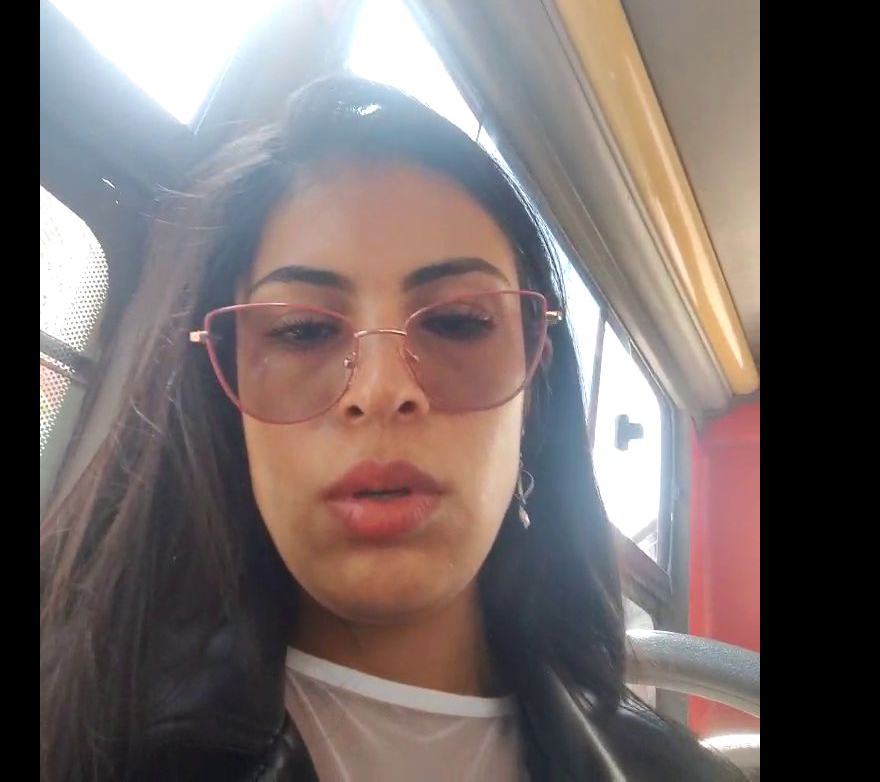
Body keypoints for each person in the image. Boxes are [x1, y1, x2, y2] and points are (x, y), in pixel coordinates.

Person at [40, 75, 743, 781]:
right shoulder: (83, 735)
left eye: (458, 322)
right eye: (302, 330)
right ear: (228, 397)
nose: (381, 391)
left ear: (535, 388)